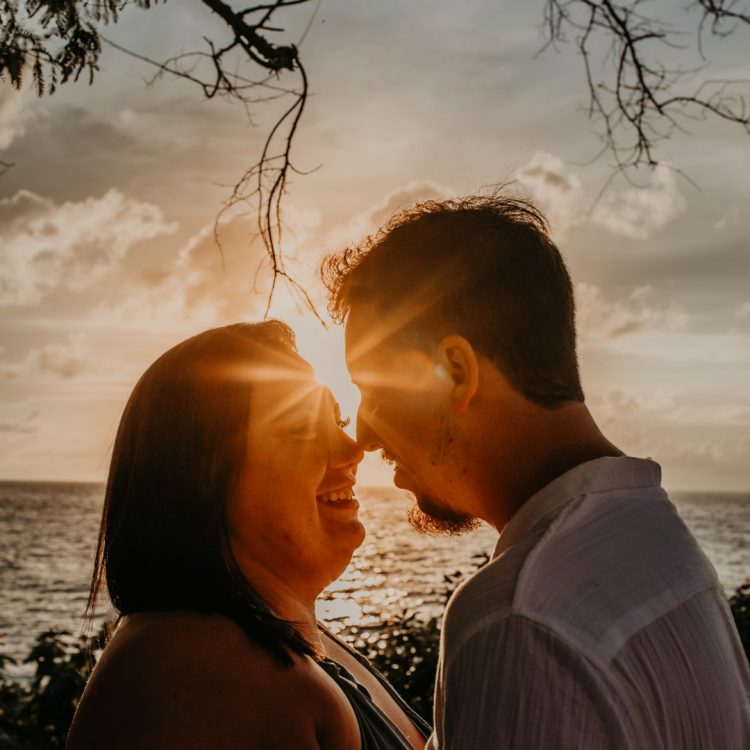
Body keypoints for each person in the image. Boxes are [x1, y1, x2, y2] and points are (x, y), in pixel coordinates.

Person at [323, 194, 750, 749]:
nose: (363, 434)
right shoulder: (661, 543)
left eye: (374, 389)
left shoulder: (519, 618)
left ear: (455, 371)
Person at [66, 321, 430, 750]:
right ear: (201, 478)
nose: (351, 450)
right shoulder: (200, 676)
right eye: (301, 427)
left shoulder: (277, 641)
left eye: (338, 420)